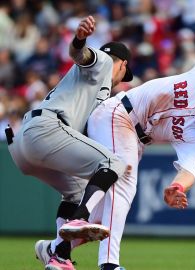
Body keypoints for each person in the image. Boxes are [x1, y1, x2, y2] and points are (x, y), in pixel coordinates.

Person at [56, 4, 195, 270]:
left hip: (135, 137)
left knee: (105, 212)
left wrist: (178, 187)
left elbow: (188, 170)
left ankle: (56, 251)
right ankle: (108, 263)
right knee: (125, 178)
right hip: (117, 112)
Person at [5, 15, 134, 270]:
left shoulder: (89, 91)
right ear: (123, 64)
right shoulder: (105, 63)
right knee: (113, 162)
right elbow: (81, 54)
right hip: (46, 129)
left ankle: (58, 254)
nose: (122, 79)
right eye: (124, 73)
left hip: (24, 147)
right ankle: (79, 220)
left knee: (75, 192)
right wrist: (80, 39)